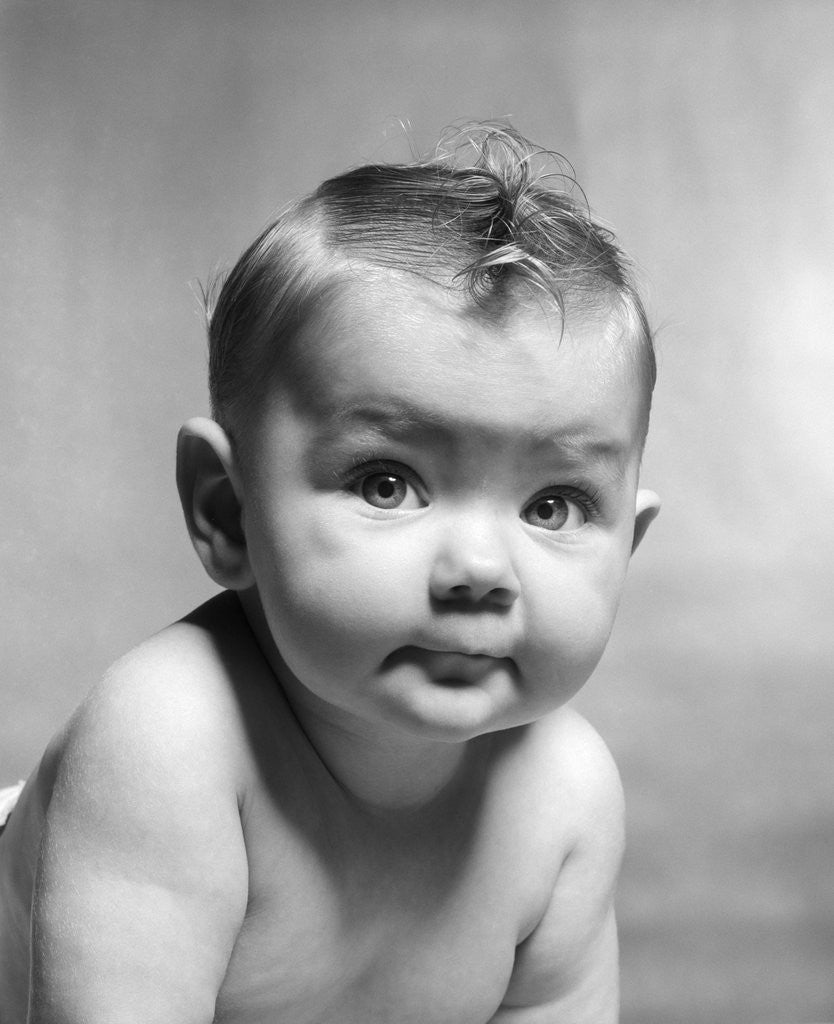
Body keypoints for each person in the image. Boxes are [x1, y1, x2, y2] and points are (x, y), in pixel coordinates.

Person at [0, 125, 660, 1023]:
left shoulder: (567, 797)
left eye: (553, 506)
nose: (478, 569)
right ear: (228, 512)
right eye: (386, 484)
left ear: (629, 541)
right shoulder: (167, 743)